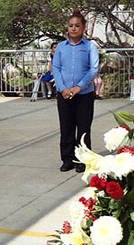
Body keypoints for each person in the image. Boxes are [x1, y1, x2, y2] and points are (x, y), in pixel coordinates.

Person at [53, 11, 99, 173]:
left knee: (83, 128)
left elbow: (93, 69)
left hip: (84, 95)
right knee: (66, 127)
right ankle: (67, 159)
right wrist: (63, 88)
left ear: (83, 27)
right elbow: (56, 68)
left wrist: (79, 87)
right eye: (71, 26)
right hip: (64, 94)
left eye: (77, 26)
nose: (73, 29)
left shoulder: (89, 47)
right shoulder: (60, 47)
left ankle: (83, 159)